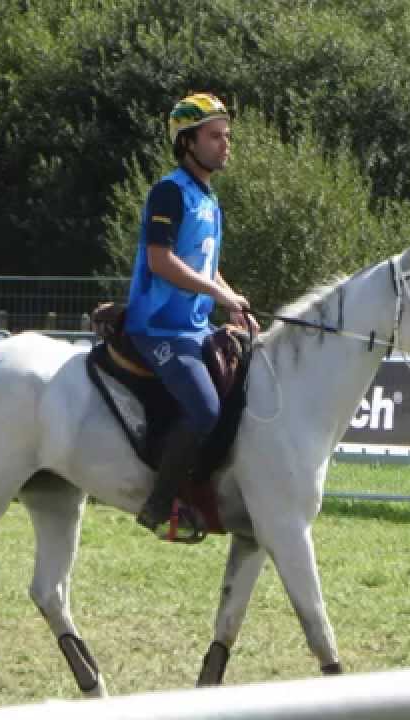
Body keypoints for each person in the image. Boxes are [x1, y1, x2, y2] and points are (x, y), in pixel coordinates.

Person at [125, 92, 256, 541]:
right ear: (187, 143)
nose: (226, 145)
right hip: (158, 326)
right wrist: (218, 292)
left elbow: (204, 265)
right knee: (204, 409)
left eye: (227, 136)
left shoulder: (208, 198)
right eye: (215, 136)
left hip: (195, 327)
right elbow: (161, 261)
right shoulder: (169, 192)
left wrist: (231, 299)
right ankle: (160, 505)